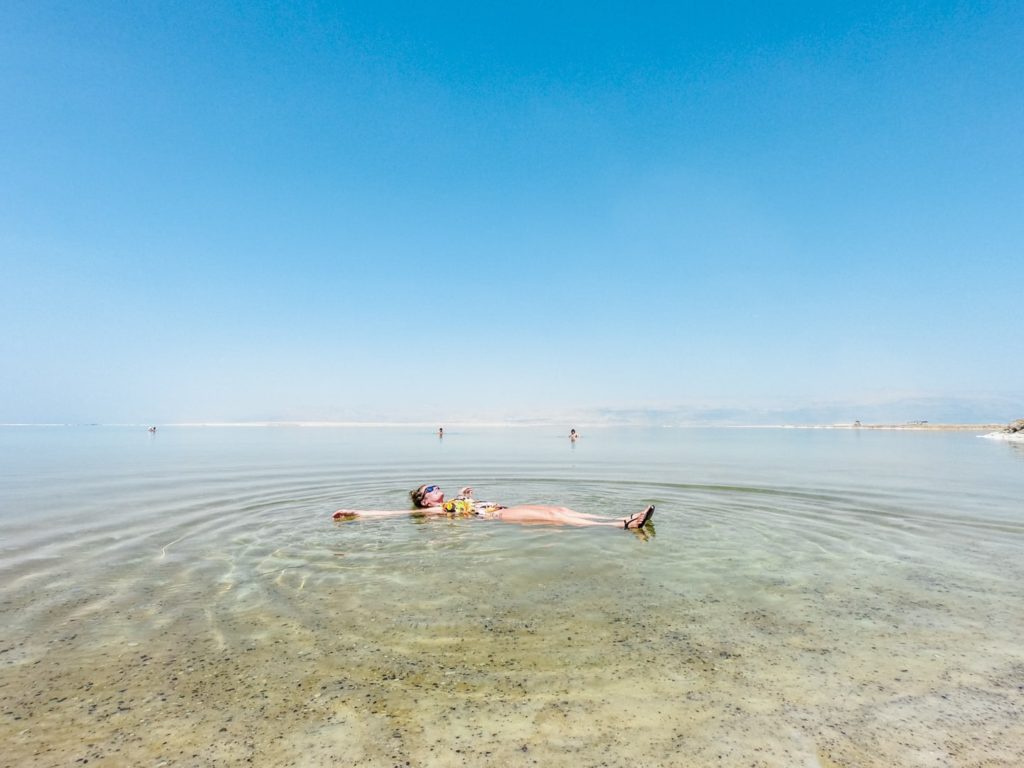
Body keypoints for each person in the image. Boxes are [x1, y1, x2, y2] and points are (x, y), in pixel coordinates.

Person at [333, 484, 654, 530]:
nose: (435, 489)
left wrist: (464, 495)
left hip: (503, 505)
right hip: (500, 515)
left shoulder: (454, 501)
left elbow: (463, 504)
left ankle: (621, 516)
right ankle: (622, 527)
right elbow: (394, 514)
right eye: (429, 489)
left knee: (560, 507)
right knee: (555, 519)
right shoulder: (432, 512)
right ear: (425, 501)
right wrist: (357, 512)